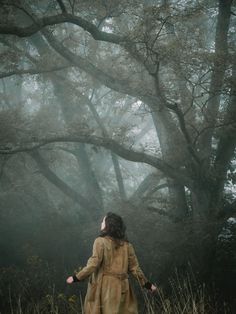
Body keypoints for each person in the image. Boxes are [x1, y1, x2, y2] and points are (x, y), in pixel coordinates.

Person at [66, 212, 157, 314]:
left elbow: (93, 264)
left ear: (108, 225)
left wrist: (76, 277)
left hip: (105, 289)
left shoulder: (100, 241)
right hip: (123, 289)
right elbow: (135, 269)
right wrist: (149, 285)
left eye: (103, 221)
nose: (101, 223)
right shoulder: (127, 246)